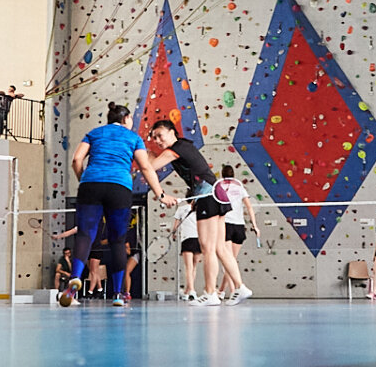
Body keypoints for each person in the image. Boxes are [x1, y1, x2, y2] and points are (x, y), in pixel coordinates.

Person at [60, 103, 165, 307]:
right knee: (118, 241)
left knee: (85, 235)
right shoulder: (133, 138)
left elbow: (76, 159)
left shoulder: (94, 133)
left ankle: (74, 281)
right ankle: (118, 294)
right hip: (119, 187)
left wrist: (85, 180)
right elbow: (145, 166)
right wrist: (160, 194)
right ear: (125, 119)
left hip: (90, 185)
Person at [147, 119, 229, 305]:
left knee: (208, 248)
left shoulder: (176, 149)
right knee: (218, 248)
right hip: (213, 194)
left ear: (172, 132)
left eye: (160, 136)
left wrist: (145, 153)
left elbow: (150, 167)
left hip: (208, 195)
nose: (157, 140)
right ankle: (238, 287)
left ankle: (210, 293)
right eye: (154, 138)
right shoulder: (182, 147)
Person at [214, 164, 258, 304]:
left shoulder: (219, 187)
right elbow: (249, 207)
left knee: (228, 261)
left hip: (226, 225)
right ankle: (224, 291)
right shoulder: (240, 188)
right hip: (239, 226)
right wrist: (255, 225)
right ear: (233, 175)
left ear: (222, 174)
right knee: (231, 260)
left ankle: (232, 291)